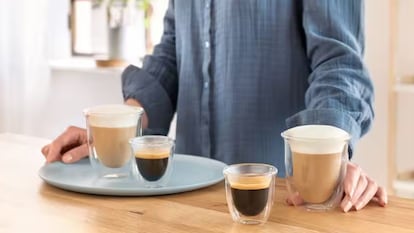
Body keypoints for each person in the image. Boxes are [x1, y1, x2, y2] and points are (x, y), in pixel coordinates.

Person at [42, 0, 387, 212]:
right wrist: (114, 132)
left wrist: (328, 157)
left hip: (279, 206)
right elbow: (173, 52)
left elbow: (338, 61)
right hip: (186, 203)